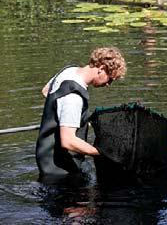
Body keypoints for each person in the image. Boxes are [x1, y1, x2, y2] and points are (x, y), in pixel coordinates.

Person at [36, 46, 127, 179]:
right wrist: (101, 153)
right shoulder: (73, 97)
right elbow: (68, 141)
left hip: (45, 158)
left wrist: (68, 118)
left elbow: (46, 91)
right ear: (101, 69)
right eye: (110, 79)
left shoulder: (69, 70)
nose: (109, 84)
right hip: (59, 172)